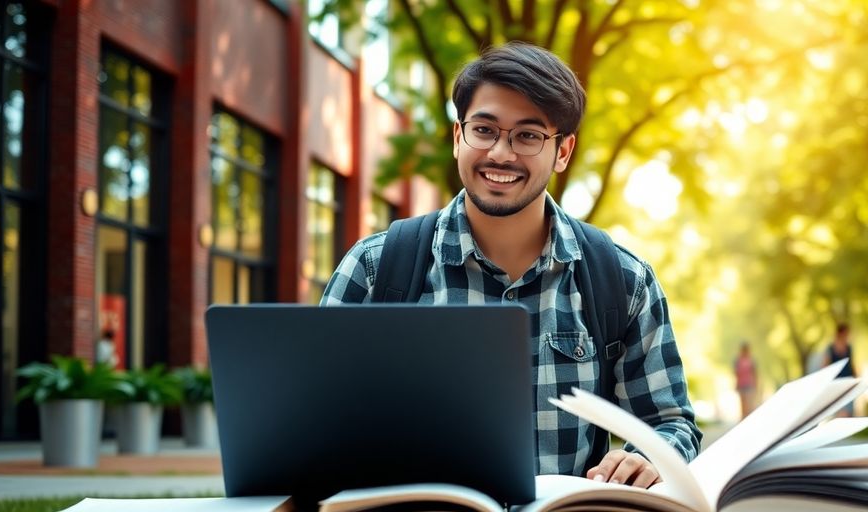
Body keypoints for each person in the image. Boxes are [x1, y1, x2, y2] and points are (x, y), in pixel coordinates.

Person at [322, 42, 701, 488]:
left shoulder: (624, 281)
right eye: (485, 129)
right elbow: (315, 419)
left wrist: (648, 460)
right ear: (458, 135)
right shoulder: (374, 269)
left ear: (562, 151)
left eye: (528, 135)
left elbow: (671, 424)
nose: (501, 153)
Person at [823, 323, 856, 416]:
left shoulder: (849, 347)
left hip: (848, 381)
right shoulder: (830, 348)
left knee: (849, 411)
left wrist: (856, 379)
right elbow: (825, 366)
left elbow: (851, 364)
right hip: (836, 383)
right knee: (840, 411)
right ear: (840, 333)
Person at [734, 341, 758, 419]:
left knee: (750, 405)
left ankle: (749, 419)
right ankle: (744, 419)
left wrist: (756, 385)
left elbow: (755, 373)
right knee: (743, 406)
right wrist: (736, 384)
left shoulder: (751, 360)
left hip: (749, 384)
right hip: (741, 385)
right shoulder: (738, 361)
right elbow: (736, 374)